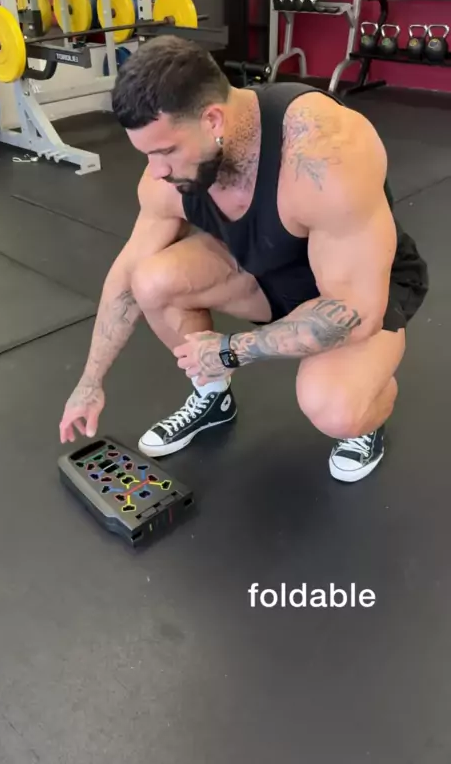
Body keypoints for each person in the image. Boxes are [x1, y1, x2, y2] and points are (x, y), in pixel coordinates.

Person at [59, 35, 429, 482]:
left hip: (358, 288)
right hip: (268, 271)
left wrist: (229, 351)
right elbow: (126, 274)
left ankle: (367, 414)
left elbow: (356, 311)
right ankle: (212, 397)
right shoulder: (171, 170)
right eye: (148, 154)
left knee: (336, 406)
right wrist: (89, 382)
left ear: (212, 119)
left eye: (166, 151)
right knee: (151, 279)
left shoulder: (324, 154)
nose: (156, 171)